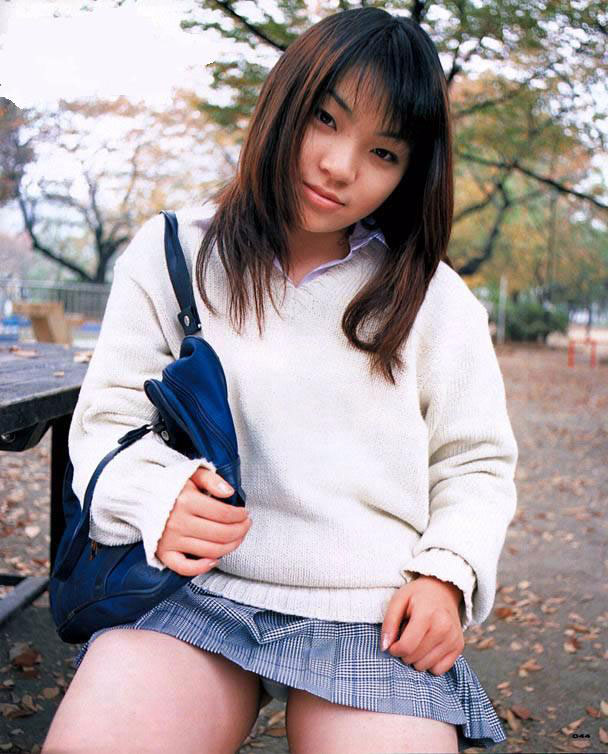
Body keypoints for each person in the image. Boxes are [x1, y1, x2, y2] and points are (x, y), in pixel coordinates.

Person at [42, 7, 518, 754]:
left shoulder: (434, 298)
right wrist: (158, 496)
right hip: (196, 588)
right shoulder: (173, 252)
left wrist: (447, 575)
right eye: (325, 119)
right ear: (282, 101)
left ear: (410, 172)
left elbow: (475, 463)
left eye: (384, 152)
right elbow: (105, 420)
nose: (340, 166)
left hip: (372, 609)